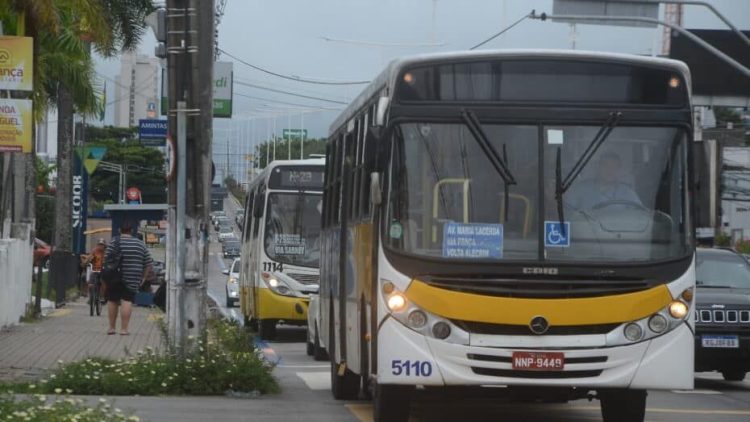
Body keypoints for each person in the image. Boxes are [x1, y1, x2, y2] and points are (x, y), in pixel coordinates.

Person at [104, 222, 153, 335]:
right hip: (133, 277)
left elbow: (106, 259)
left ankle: (111, 328)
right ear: (131, 231)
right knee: (127, 300)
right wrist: (144, 278)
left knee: (112, 300)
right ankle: (124, 329)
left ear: (120, 230)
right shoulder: (140, 244)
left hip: (114, 276)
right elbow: (148, 263)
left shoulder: (114, 241)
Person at [567, 152, 642, 211]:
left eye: (614, 167)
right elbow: (567, 213)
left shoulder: (627, 192)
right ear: (597, 167)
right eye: (605, 165)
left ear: (619, 170)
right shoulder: (580, 190)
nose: (610, 170)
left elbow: (640, 215)